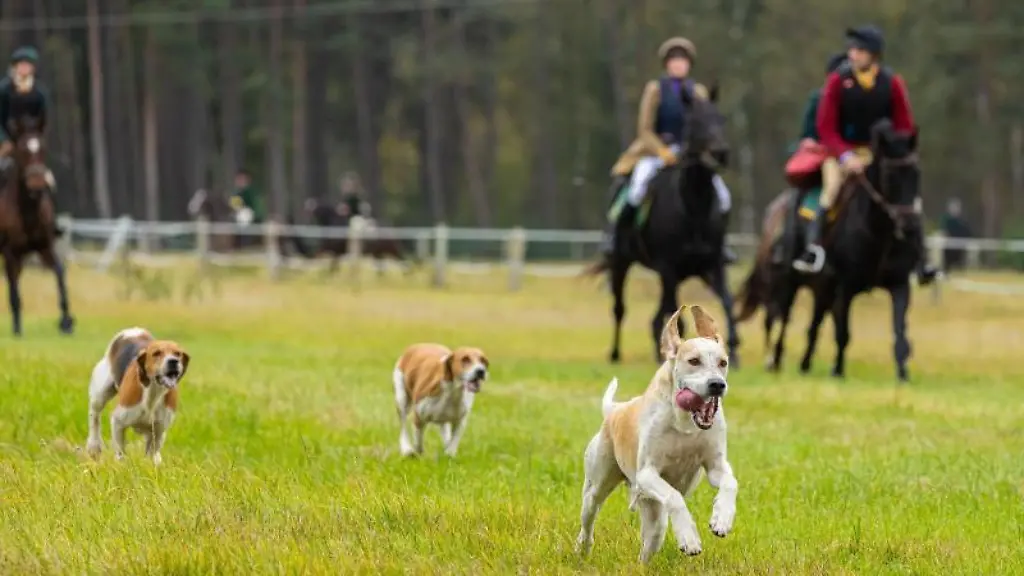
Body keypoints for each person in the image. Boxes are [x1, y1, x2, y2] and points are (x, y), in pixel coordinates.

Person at [796, 25, 938, 284]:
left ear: (873, 54)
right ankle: (814, 249)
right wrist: (845, 156)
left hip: (876, 154)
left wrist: (895, 149)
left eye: (859, 50)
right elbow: (825, 127)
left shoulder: (892, 83)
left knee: (905, 196)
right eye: (852, 49)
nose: (852, 54)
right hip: (840, 153)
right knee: (831, 190)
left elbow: (904, 123)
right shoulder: (837, 81)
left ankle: (921, 259)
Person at [604, 37, 736, 263]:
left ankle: (719, 245)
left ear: (689, 65)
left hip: (690, 155)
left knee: (723, 197)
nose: (678, 64)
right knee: (636, 189)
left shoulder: (699, 92)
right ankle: (616, 240)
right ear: (666, 64)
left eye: (682, 60)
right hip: (657, 153)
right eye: (674, 60)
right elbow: (645, 129)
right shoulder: (655, 89)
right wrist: (662, 152)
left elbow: (705, 126)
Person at [0, 46, 62, 233]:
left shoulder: (39, 92)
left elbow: (44, 119)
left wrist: (39, 140)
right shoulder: (4, 90)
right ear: (15, 67)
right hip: (7, 142)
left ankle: (52, 221)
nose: (25, 68)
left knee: (48, 180)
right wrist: (4, 140)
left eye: (28, 65)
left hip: (29, 144)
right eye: (21, 65)